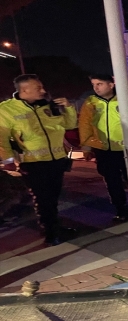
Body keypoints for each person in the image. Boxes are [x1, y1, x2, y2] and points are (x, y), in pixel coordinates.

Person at [0, 74, 78, 245]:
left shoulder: (47, 105)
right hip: (33, 162)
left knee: (54, 197)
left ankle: (55, 226)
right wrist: (8, 160)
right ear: (24, 90)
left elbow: (69, 125)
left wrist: (69, 108)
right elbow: (2, 138)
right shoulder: (6, 110)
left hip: (57, 159)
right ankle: (51, 232)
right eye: (38, 88)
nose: (43, 91)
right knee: (43, 198)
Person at [78, 74, 128, 222]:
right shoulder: (90, 103)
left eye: (99, 84)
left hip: (127, 150)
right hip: (104, 151)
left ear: (111, 85)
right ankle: (121, 210)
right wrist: (87, 148)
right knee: (112, 182)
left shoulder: (126, 101)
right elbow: (85, 126)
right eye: (93, 84)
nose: (95, 88)